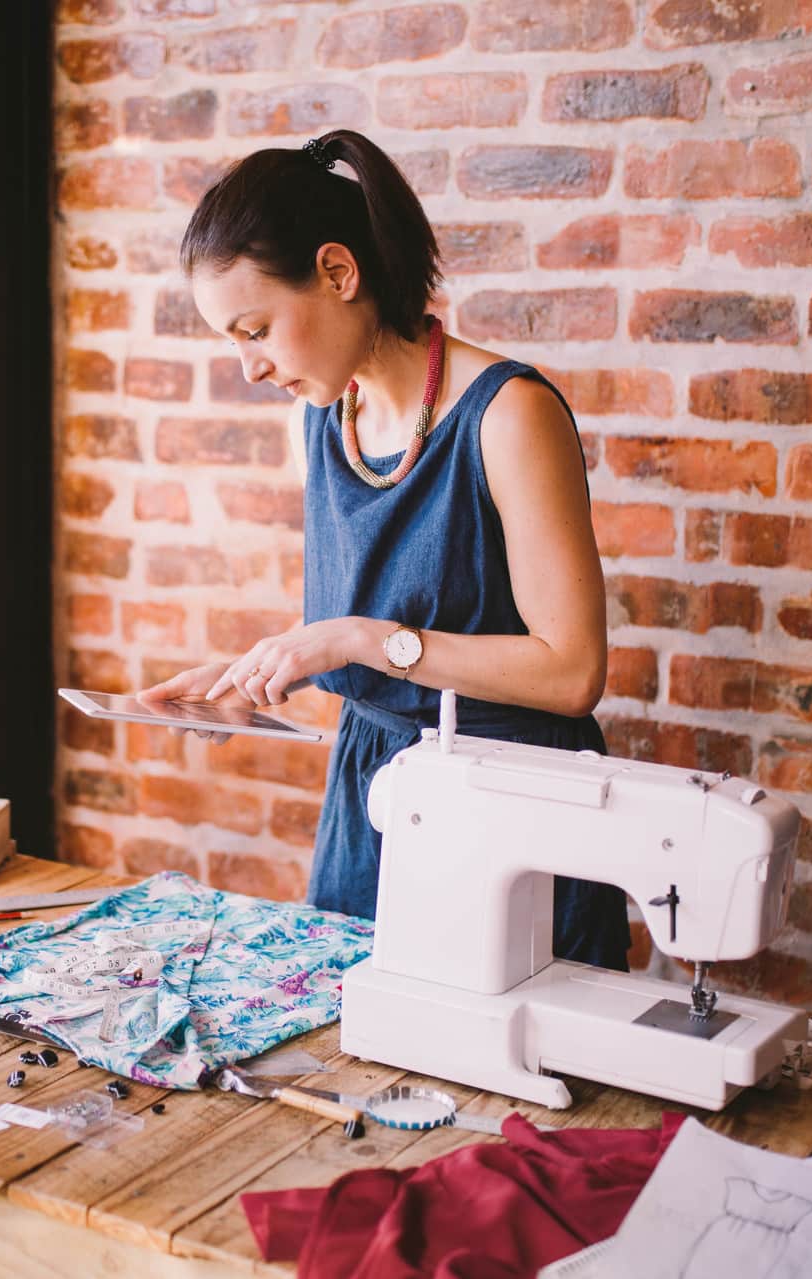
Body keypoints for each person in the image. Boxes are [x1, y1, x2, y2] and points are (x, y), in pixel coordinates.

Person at [139, 129, 629, 971]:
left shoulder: (510, 415)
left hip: (513, 807)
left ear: (338, 272)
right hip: (368, 803)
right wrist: (250, 683)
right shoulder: (325, 424)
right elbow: (362, 642)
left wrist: (361, 638)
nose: (248, 368)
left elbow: (572, 670)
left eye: (255, 329)